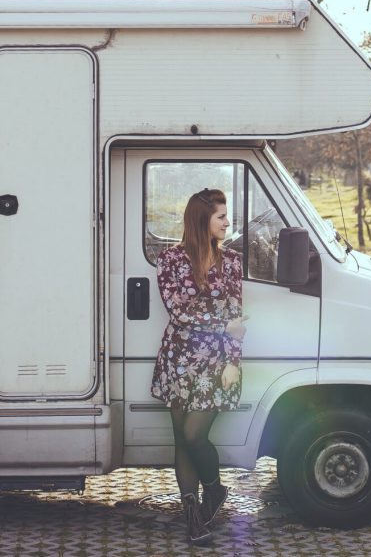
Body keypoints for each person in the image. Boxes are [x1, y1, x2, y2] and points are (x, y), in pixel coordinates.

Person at [150, 188, 247, 546]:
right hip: (178, 360)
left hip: (217, 363)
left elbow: (237, 315)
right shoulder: (170, 259)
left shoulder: (232, 261)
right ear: (200, 220)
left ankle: (215, 489)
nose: (227, 222)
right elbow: (179, 310)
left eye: (226, 216)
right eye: (220, 216)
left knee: (194, 436)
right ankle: (192, 515)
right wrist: (222, 326)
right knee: (181, 439)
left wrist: (233, 360)